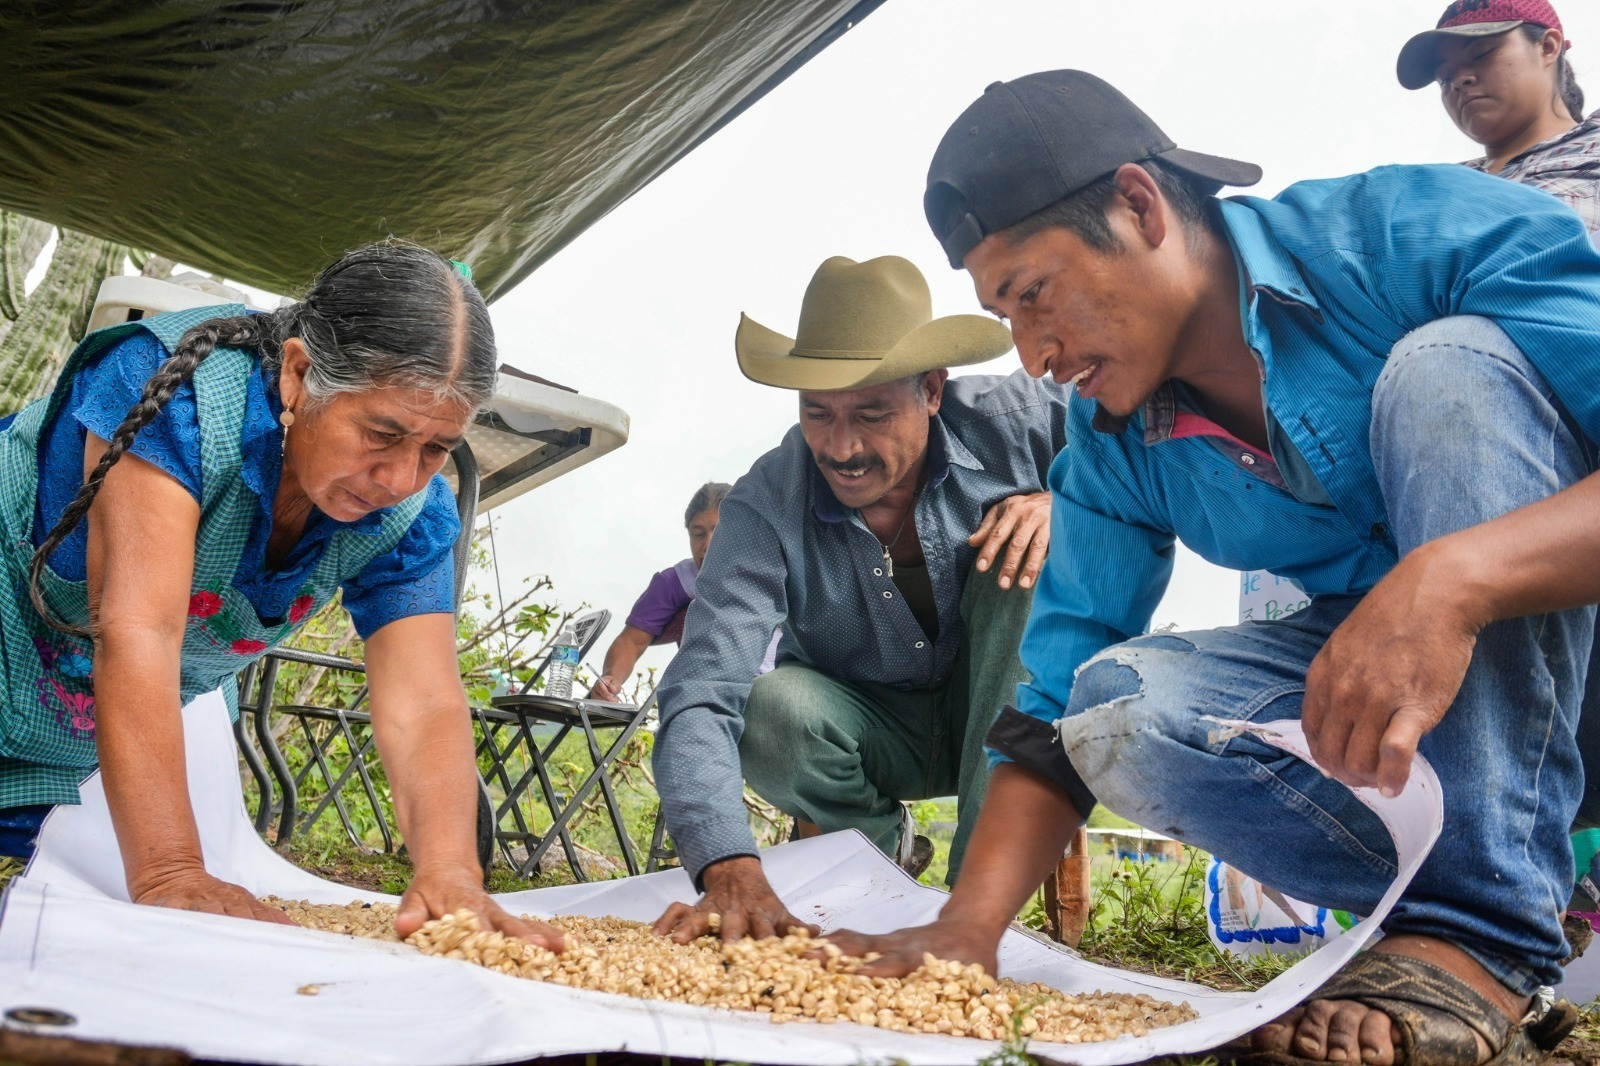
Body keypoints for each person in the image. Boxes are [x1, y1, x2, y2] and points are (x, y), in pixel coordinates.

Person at [824, 70, 1600, 1066]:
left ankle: (1481, 936)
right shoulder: (1109, 446)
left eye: (1031, 295)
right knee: (1115, 706)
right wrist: (966, 933)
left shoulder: (1409, 231)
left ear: (1138, 206)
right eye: (1003, 316)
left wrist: (1450, 578)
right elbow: (1051, 701)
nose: (1029, 354)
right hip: (1450, 746)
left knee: (1444, 367)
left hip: (1580, 670)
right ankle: (1451, 936)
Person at [0, 243, 564, 949]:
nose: (397, 477)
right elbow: (139, 630)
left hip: (57, 752)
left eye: (434, 449)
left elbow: (423, 703)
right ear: (299, 375)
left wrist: (451, 873)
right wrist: (171, 870)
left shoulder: (410, 520)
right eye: (382, 433)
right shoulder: (181, 399)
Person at [649, 255, 1069, 944]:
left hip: (1005, 713)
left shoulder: (1019, 421)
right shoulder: (763, 504)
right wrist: (726, 862)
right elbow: (703, 687)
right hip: (873, 728)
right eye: (818, 413)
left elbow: (1145, 447)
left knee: (1036, 550)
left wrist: (1067, 502)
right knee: (772, 708)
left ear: (933, 390)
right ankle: (880, 871)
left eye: (873, 414)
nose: (842, 447)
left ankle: (980, 906)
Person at [1398, 0, 1597, 235]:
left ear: (1548, 47)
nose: (1459, 80)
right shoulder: (1433, 190)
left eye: (1481, 54)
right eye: (1445, 77)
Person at [588, 481, 781, 701]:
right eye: (698, 534)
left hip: (774, 690)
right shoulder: (675, 582)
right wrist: (612, 678)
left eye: (719, 531)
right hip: (707, 694)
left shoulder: (776, 573)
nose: (708, 544)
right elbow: (631, 641)